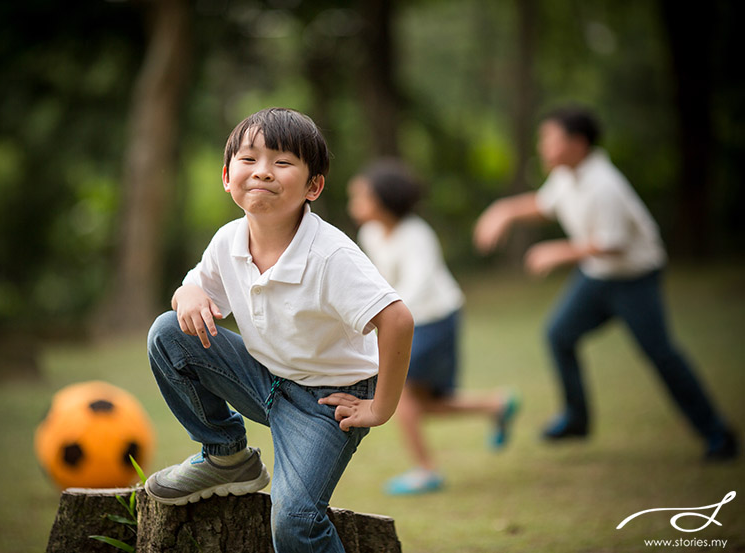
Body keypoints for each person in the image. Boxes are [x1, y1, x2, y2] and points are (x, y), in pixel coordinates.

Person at [144, 108, 414, 552]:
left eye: (283, 162)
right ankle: (226, 456)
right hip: (264, 378)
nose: (263, 172)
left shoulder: (329, 256)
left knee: (294, 521)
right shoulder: (229, 241)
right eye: (249, 160)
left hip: (326, 401)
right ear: (227, 176)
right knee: (169, 331)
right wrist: (188, 290)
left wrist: (380, 408)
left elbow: (397, 318)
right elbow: (196, 290)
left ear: (314, 186)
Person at [473, 105, 738, 461]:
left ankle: (718, 435)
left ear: (578, 143)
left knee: (661, 355)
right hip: (596, 277)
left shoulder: (604, 185)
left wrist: (556, 252)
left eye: (549, 139)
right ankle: (576, 419)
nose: (543, 146)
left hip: (633, 280)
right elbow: (543, 204)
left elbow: (612, 245)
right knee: (559, 335)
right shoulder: (567, 176)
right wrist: (503, 211)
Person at [347, 158, 519, 495]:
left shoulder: (416, 235)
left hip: (434, 318)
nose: (355, 205)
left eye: (361, 197)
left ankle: (426, 470)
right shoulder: (369, 233)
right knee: (424, 403)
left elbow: (418, 284)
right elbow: (377, 280)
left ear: (383, 200)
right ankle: (497, 404)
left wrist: (383, 318)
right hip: (409, 319)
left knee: (404, 394)